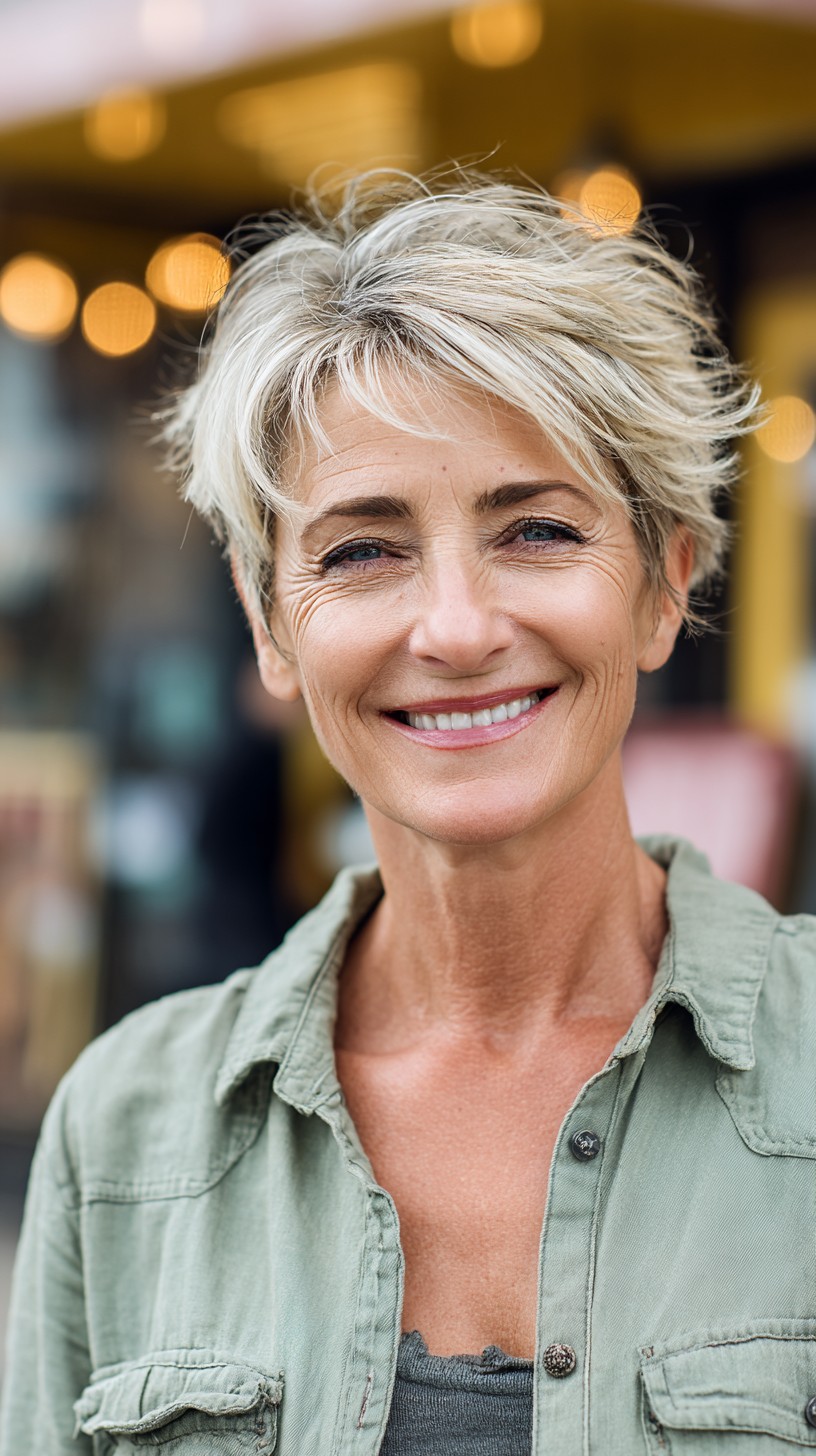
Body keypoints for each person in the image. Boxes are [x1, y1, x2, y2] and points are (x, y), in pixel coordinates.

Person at [2, 169, 814, 1456]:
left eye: (537, 530)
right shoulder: (125, 1135)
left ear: (665, 584)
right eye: (362, 551)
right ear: (271, 622)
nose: (456, 628)